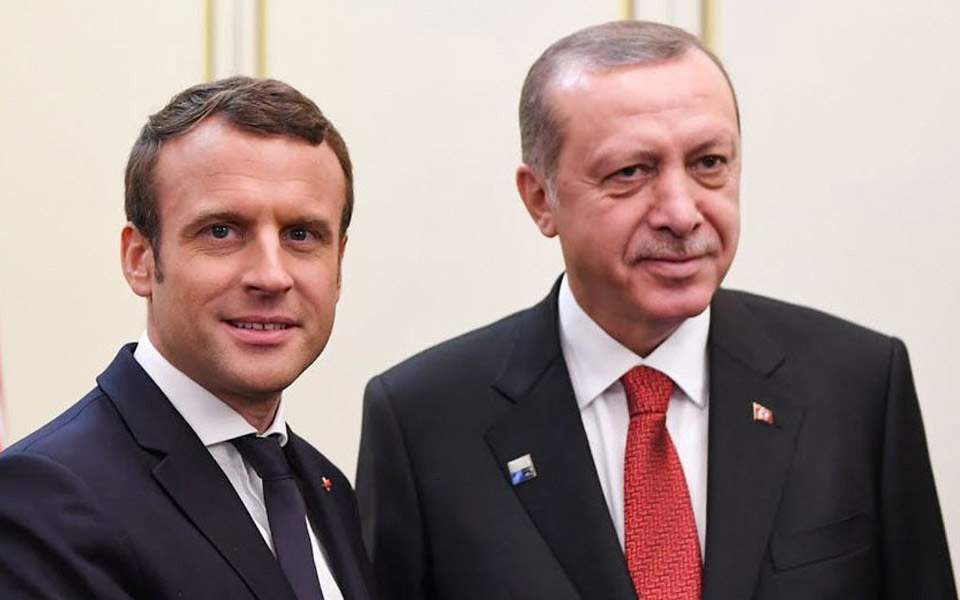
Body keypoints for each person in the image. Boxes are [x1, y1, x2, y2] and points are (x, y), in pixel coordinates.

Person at [355, 20, 956, 600]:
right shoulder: (424, 422)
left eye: (708, 163)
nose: (682, 213)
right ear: (540, 198)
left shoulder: (857, 385)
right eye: (631, 172)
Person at [0, 77, 376, 599]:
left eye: (301, 235)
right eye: (222, 231)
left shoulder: (326, 488)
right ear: (140, 259)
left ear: (339, 266)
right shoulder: (47, 498)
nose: (271, 276)